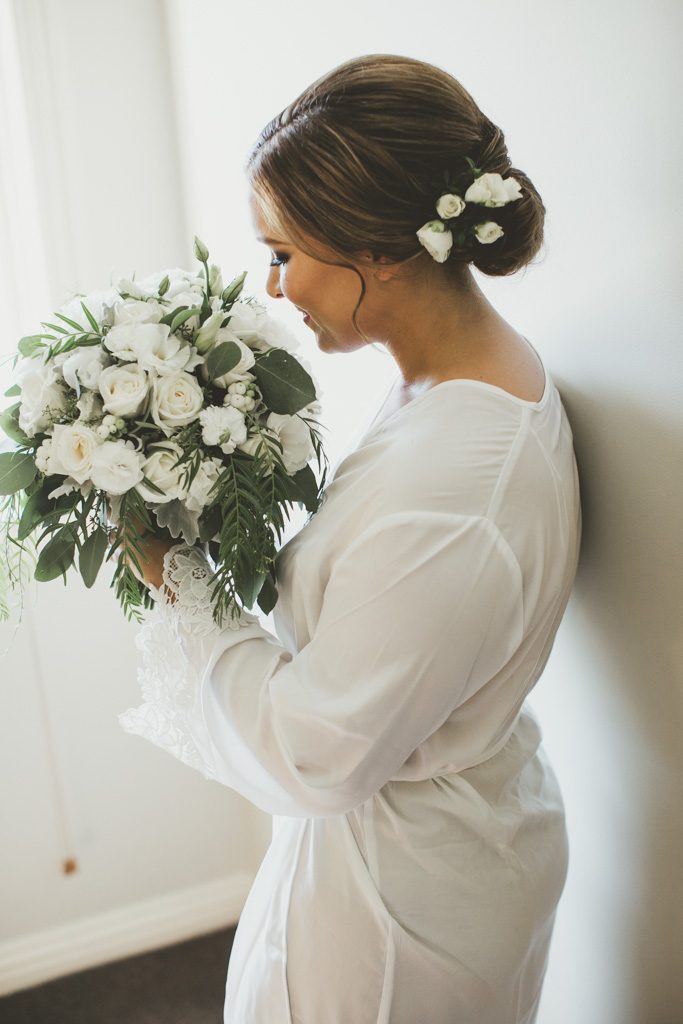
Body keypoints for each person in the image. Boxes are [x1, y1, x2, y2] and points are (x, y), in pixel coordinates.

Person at [118, 54, 582, 1024]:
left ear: (379, 249)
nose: (273, 284)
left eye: (283, 252)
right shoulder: (453, 380)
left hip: (401, 901)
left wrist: (179, 579)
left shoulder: (453, 489)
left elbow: (315, 751)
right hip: (424, 830)